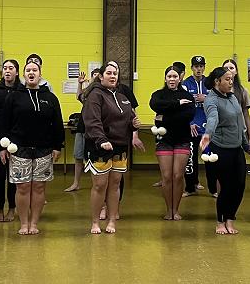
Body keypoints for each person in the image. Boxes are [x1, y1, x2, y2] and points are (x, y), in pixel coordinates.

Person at [0, 58, 64, 235]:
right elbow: (4, 123)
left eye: (35, 70)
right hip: (19, 149)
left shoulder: (50, 98)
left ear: (40, 75)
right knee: (23, 187)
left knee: (39, 188)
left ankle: (34, 223)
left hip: (44, 150)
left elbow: (57, 123)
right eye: (28, 70)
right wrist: (3, 146)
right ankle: (23, 223)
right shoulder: (14, 97)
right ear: (23, 75)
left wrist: (57, 146)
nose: (31, 73)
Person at [83, 62, 144, 234]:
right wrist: (101, 139)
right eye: (109, 73)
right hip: (99, 147)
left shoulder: (123, 97)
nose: (112, 76)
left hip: (119, 147)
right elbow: (92, 121)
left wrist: (133, 125)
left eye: (115, 73)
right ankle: (95, 222)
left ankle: (111, 220)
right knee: (100, 185)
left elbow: (128, 120)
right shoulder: (95, 95)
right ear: (101, 76)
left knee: (115, 185)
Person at [200, 67, 250, 235]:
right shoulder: (211, 100)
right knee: (226, 188)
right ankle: (220, 221)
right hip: (221, 149)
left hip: (236, 149)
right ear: (217, 81)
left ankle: (230, 219)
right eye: (227, 79)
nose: (231, 82)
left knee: (239, 186)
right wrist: (208, 135)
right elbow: (213, 118)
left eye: (232, 79)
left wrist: (246, 147)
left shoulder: (232, 97)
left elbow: (239, 124)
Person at [149, 66, 196, 220]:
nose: (172, 79)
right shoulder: (158, 94)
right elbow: (155, 105)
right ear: (165, 78)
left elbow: (188, 115)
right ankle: (169, 210)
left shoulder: (187, 96)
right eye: (169, 76)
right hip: (164, 141)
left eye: (175, 76)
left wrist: (165, 117)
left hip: (182, 140)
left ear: (179, 78)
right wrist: (177, 104)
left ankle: (176, 210)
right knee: (167, 176)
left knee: (178, 176)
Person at [0, 59, 20, 221]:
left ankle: (12, 208)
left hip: (16, 140)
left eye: (11, 68)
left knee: (14, 178)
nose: (7, 71)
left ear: (17, 72)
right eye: (5, 68)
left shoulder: (21, 90)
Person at [65, 67, 101, 192]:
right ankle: (76, 183)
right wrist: (80, 84)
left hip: (94, 130)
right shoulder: (88, 92)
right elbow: (79, 97)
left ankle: (96, 184)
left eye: (98, 75)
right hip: (82, 128)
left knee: (92, 158)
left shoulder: (101, 93)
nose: (96, 78)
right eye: (94, 75)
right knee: (78, 156)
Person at [182, 56, 208, 196]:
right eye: (196, 66)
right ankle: (191, 187)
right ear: (192, 68)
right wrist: (190, 122)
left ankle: (213, 189)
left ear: (204, 67)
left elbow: (216, 101)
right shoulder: (186, 84)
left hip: (207, 127)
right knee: (191, 158)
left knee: (209, 157)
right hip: (191, 127)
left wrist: (206, 98)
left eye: (201, 66)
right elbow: (183, 107)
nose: (199, 69)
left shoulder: (209, 83)